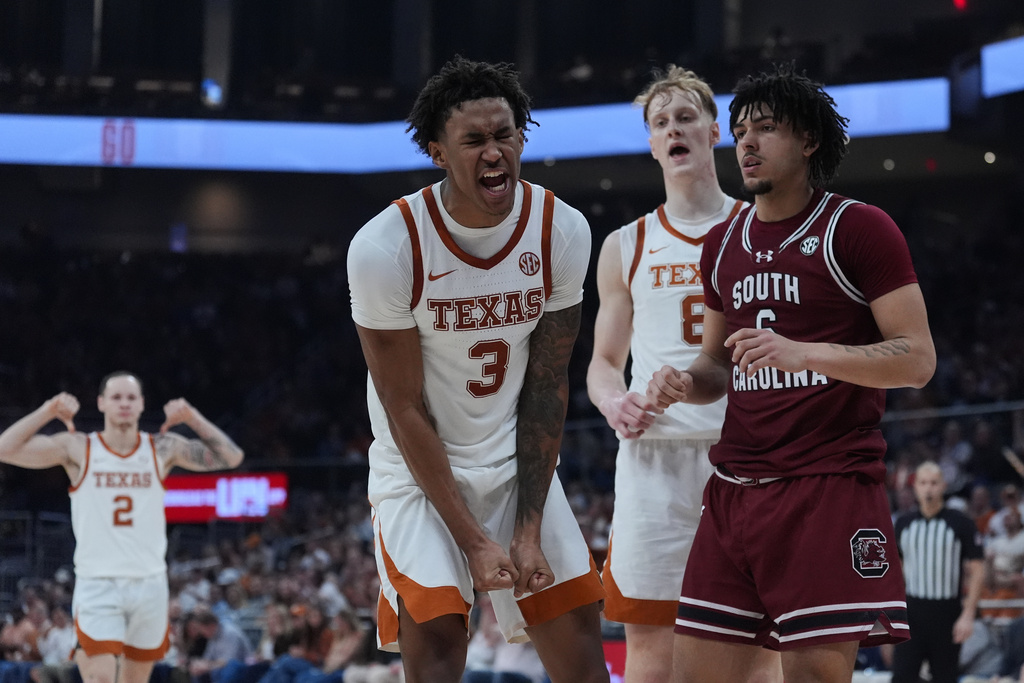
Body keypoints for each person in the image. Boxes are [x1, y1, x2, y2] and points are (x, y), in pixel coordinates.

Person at [646, 63, 937, 682]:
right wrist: (685, 382)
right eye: (742, 130)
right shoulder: (722, 244)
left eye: (767, 129)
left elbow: (917, 359)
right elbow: (717, 365)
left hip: (825, 486)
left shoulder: (858, 228)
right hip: (733, 490)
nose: (747, 144)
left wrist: (805, 351)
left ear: (808, 141)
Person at [346, 56, 608, 683]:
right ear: (438, 151)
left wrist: (526, 528)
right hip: (419, 474)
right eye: (474, 140)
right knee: (438, 634)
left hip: (517, 468)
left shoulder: (560, 230)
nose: (495, 153)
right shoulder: (388, 245)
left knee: (577, 642)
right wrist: (473, 541)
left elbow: (547, 386)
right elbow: (403, 406)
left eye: (505, 135)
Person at [585, 65, 780, 683]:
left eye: (686, 117)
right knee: (651, 644)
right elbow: (602, 364)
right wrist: (615, 403)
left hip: (745, 453)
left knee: (759, 641)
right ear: (651, 142)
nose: (674, 128)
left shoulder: (761, 228)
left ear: (714, 131)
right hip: (655, 459)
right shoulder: (626, 244)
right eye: (661, 121)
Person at [0, 372, 245, 683]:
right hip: (98, 582)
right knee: (100, 679)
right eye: (116, 397)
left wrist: (192, 418)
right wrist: (48, 410)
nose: (124, 403)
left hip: (149, 584)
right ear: (101, 403)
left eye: (131, 397)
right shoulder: (78, 448)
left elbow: (232, 456)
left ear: (142, 404)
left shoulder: (162, 448)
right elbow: (4, 448)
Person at [891, 461, 984, 683]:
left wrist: (968, 615)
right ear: (915, 487)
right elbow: (895, 571)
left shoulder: (960, 523)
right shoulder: (903, 524)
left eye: (933, 483)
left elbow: (978, 569)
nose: (928, 488)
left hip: (947, 614)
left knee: (945, 677)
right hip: (911, 613)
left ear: (943, 485)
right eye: (923, 483)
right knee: (902, 676)